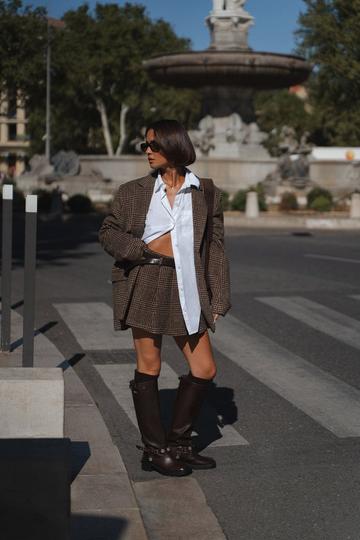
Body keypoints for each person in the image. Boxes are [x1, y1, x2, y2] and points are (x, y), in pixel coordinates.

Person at [99, 119, 231, 477]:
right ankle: (155, 450)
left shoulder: (205, 192)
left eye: (153, 145)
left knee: (204, 368)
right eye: (146, 145)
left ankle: (179, 443)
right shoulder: (133, 191)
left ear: (174, 147)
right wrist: (136, 249)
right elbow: (108, 230)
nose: (147, 151)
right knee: (150, 365)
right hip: (146, 278)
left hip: (188, 283)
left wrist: (218, 298)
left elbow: (214, 248)